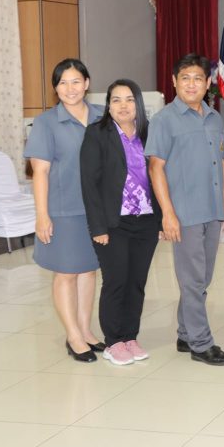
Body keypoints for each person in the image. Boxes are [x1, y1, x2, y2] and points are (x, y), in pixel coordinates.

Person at [146, 54, 224, 366]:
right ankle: (201, 343)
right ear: (174, 82)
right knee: (193, 280)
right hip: (184, 213)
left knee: (202, 277)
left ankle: (185, 333)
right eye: (185, 78)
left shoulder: (214, 118)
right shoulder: (164, 120)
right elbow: (156, 168)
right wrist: (167, 214)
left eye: (198, 78)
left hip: (212, 209)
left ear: (208, 83)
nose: (191, 84)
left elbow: (221, 162)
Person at [25, 59, 105, 363]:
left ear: (87, 83)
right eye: (62, 83)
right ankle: (73, 336)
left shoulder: (102, 116)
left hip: (97, 209)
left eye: (76, 81)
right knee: (67, 272)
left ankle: (85, 330)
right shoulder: (46, 123)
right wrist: (42, 214)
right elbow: (40, 172)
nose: (70, 89)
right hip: (63, 209)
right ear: (55, 88)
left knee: (88, 269)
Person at [80, 79, 161, 366]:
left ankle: (130, 336)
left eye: (129, 99)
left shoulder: (149, 133)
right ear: (108, 105)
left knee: (137, 282)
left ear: (138, 104)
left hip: (146, 221)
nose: (123, 105)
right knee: (116, 281)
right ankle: (113, 341)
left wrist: (162, 219)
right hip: (113, 223)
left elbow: (160, 177)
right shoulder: (97, 133)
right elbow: (89, 184)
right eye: (116, 100)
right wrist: (98, 227)